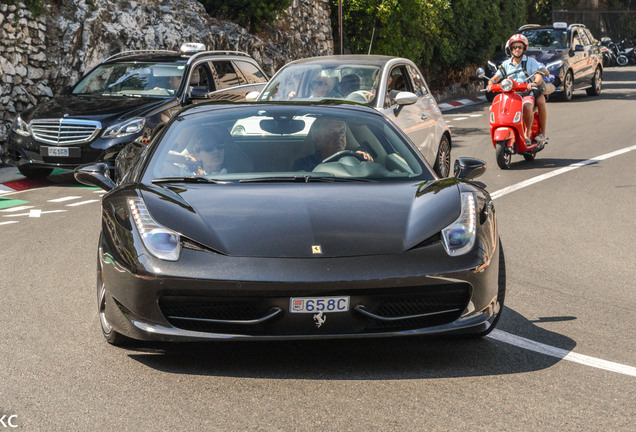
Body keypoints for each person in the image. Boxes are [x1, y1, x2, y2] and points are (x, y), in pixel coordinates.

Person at [487, 34, 548, 147]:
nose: (517, 49)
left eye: (520, 47)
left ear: (524, 48)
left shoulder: (531, 62)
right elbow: (496, 77)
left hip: (526, 94)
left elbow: (538, 76)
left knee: (527, 106)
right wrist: (490, 83)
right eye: (514, 47)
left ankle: (526, 134)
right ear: (510, 49)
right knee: (492, 108)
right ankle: (500, 129)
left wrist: (534, 83)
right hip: (509, 96)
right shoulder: (505, 64)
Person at [292, 118, 373, 171]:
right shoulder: (305, 164)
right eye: (332, 133)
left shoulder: (356, 158)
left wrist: (367, 164)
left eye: (341, 132)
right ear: (318, 140)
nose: (338, 137)